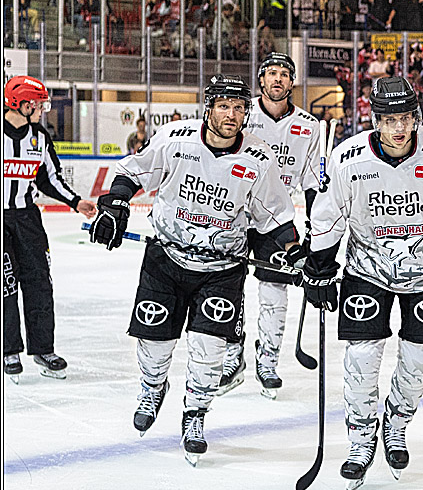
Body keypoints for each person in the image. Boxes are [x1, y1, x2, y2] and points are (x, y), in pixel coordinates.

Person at [88, 75, 299, 465]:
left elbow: (276, 216)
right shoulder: (175, 139)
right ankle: (153, 388)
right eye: (223, 106)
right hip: (166, 260)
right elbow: (132, 172)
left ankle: (196, 413)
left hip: (222, 268)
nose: (231, 115)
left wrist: (296, 253)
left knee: (209, 350)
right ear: (209, 107)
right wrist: (114, 206)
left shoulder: (258, 157)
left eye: (238, 108)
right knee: (154, 343)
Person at [302, 76, 423, 490]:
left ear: (416, 117)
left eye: (405, 119)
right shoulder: (348, 158)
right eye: (389, 120)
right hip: (366, 271)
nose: (398, 129)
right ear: (374, 120)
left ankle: (396, 422)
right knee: (362, 361)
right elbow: (328, 218)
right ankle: (361, 438)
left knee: (418, 362)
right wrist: (319, 268)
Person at [216, 53, 320, 399]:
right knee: (227, 287)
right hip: (232, 210)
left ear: (292, 82)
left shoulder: (309, 126)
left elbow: (310, 178)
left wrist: (313, 223)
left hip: (276, 217)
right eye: (271, 73)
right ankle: (233, 356)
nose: (278, 79)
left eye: (285, 74)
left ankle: (268, 360)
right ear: (261, 80)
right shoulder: (242, 114)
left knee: (275, 293)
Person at [3, 76, 97, 382]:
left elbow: (49, 179)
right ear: (22, 103)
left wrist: (75, 201)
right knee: (5, 286)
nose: (43, 109)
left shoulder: (39, 137)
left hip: (27, 220)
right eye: (39, 104)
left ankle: (43, 349)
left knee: (40, 282)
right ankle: (9, 350)